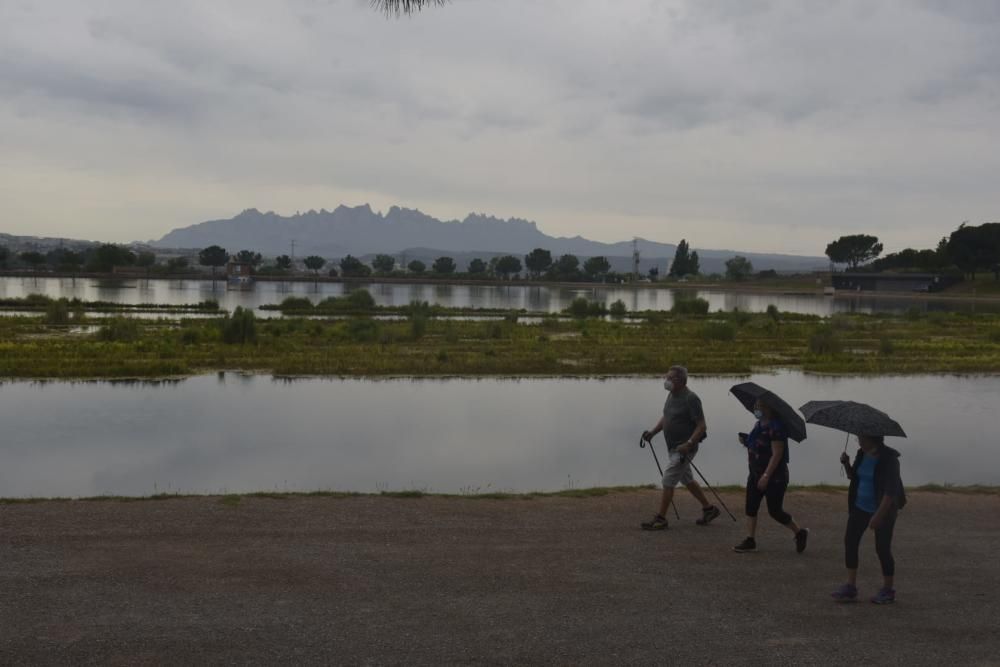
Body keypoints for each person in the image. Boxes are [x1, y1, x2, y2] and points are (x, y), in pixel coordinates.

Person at [640, 365, 720, 530]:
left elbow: (702, 426)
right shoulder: (671, 395)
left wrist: (689, 443)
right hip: (673, 448)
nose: (666, 381)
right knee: (687, 479)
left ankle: (661, 518)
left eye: (671, 378)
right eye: (666, 377)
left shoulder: (691, 399)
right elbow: (667, 416)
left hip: (685, 449)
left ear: (681, 380)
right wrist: (653, 432)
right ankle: (709, 509)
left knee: (668, 479)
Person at [831, 435, 906, 604]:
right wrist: (846, 463)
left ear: (874, 438)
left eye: (862, 439)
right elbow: (854, 477)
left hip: (883, 509)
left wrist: (878, 516)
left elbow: (890, 491)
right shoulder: (861, 453)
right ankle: (851, 587)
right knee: (850, 541)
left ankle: (888, 590)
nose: (860, 442)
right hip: (859, 506)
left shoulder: (890, 459)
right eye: (859, 439)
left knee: (882, 548)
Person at [732, 399, 809, 553]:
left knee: (775, 511)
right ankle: (750, 540)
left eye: (759, 406)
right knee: (751, 507)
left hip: (775, 477)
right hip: (755, 473)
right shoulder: (759, 425)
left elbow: (777, 454)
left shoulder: (777, 427)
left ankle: (799, 533)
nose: (755, 409)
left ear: (769, 409)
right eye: (755, 405)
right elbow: (758, 444)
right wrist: (746, 441)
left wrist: (766, 475)